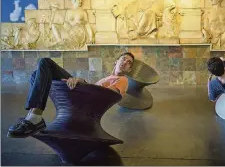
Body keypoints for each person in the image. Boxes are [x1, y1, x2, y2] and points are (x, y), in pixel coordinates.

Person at [7, 52, 135, 138]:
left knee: (46, 62)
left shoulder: (123, 80)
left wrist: (82, 82)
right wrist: (81, 81)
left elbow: (104, 95)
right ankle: (32, 115)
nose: (125, 62)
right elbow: (98, 90)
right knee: (36, 75)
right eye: (124, 59)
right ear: (116, 61)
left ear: (129, 69)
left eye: (129, 63)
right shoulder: (109, 77)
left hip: (84, 99)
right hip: (82, 92)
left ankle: (35, 117)